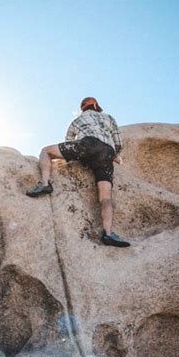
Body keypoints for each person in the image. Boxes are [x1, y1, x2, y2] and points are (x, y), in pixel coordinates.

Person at [26, 97, 131, 247]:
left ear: (83, 108)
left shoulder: (77, 121)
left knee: (46, 151)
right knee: (105, 197)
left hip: (87, 145)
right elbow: (119, 143)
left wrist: (74, 156)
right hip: (106, 153)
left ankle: (45, 183)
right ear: (96, 105)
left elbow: (68, 140)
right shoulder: (108, 118)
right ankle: (107, 234)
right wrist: (114, 155)